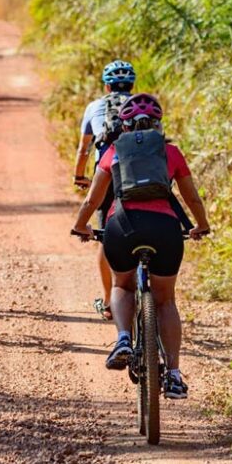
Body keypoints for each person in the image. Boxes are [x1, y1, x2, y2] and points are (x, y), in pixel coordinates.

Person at [70, 93, 211, 401]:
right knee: (165, 301)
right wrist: (201, 225)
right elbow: (192, 198)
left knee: (121, 285)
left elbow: (92, 200)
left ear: (123, 125)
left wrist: (81, 226)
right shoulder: (170, 152)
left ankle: (122, 338)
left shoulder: (113, 152)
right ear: (159, 124)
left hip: (122, 226)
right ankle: (173, 374)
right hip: (164, 230)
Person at [72, 59, 137, 320]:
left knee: (105, 235)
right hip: (140, 173)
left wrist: (79, 175)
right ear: (132, 84)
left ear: (106, 86)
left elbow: (84, 148)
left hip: (107, 173)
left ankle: (110, 301)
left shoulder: (95, 107)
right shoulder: (143, 106)